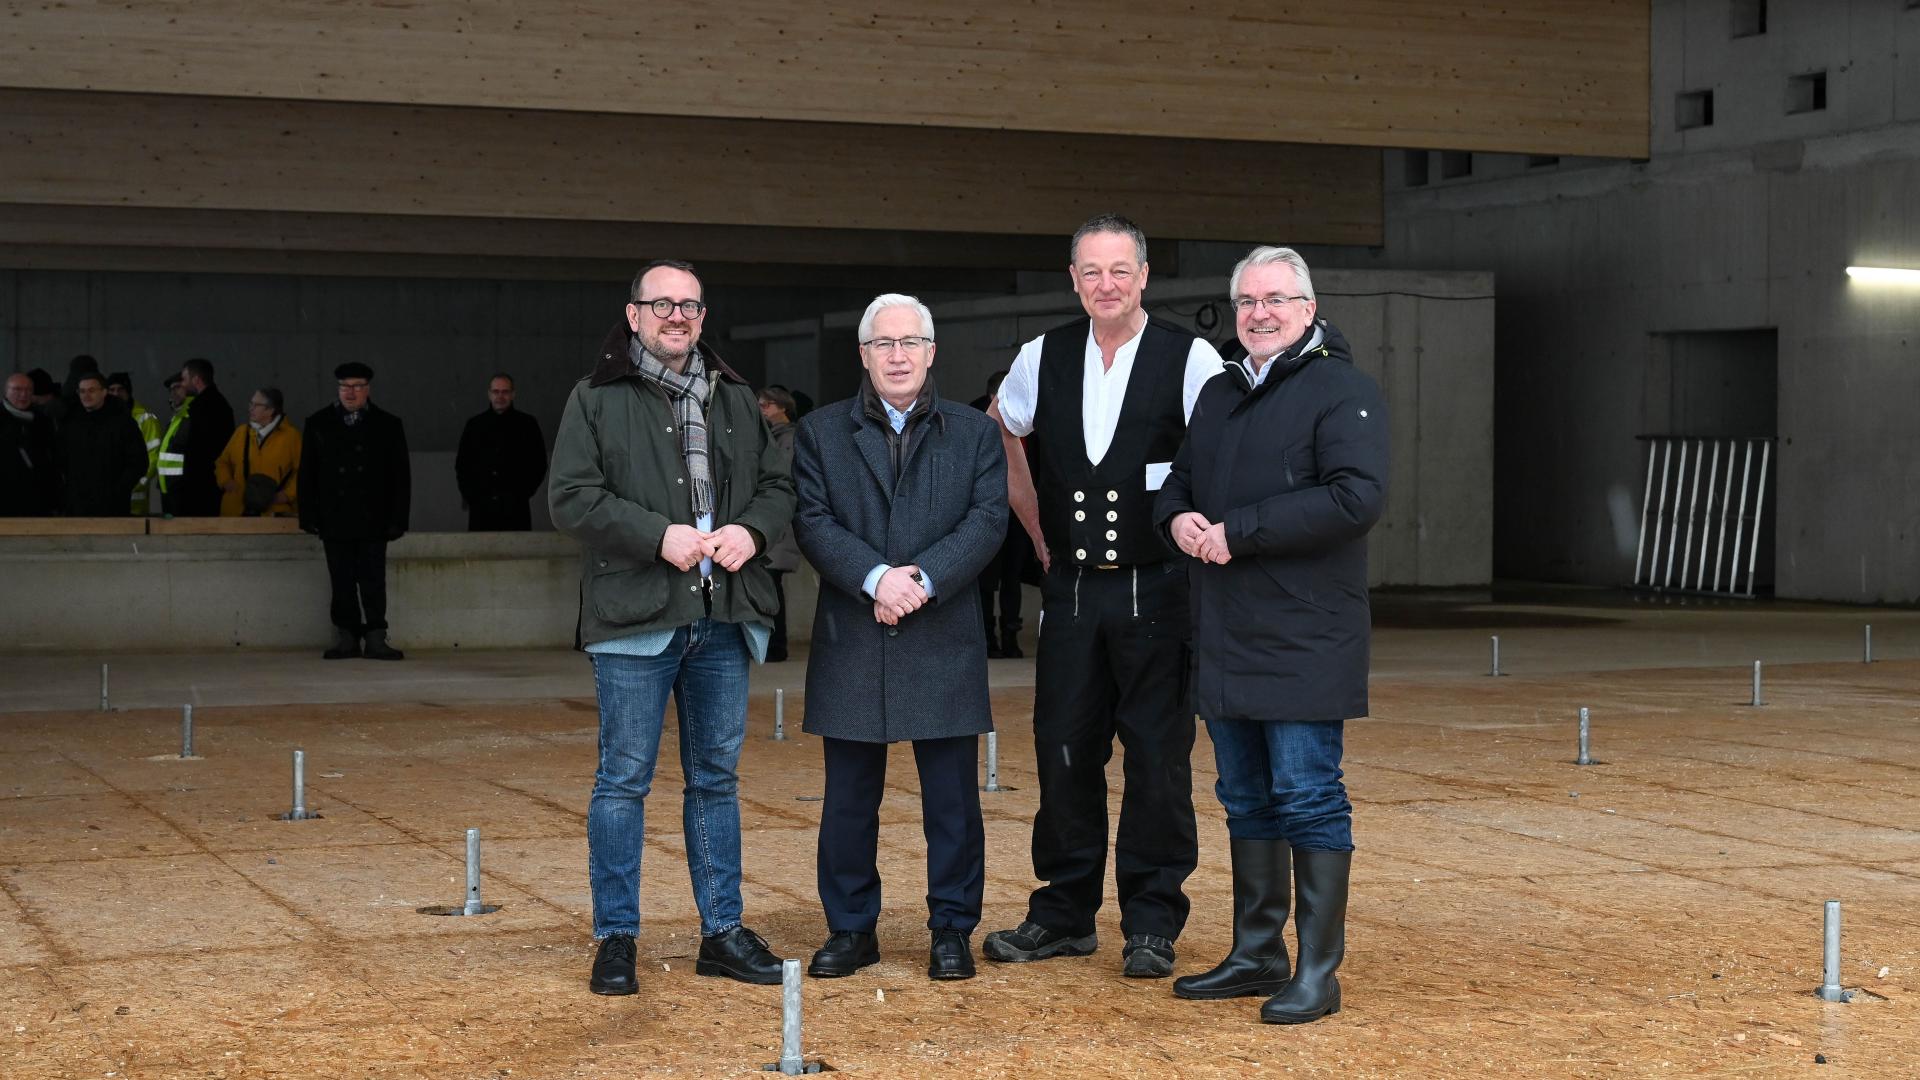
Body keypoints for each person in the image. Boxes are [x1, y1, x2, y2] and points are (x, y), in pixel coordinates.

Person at [981, 213, 1225, 979]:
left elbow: (1225, 452)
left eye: (1120, 270)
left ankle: (1152, 919)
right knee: (1063, 750)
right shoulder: (1040, 354)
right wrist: (1036, 529)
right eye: (1092, 271)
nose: (1106, 284)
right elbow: (1002, 431)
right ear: (1075, 279)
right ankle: (1063, 912)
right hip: (1073, 593)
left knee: (1157, 760)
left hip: (1160, 592)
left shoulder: (1192, 358)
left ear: (1144, 275)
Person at [548, 259, 795, 997]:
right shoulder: (595, 397)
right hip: (635, 619)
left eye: (689, 305)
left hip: (721, 616)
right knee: (622, 782)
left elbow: (779, 486)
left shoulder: (737, 396)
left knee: (715, 781)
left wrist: (752, 530)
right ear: (634, 316)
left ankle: (722, 931)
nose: (676, 316)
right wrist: (659, 535)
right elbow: (570, 498)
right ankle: (616, 937)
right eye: (661, 304)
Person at [1155, 246, 1387, 1024]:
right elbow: (1179, 481)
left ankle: (1319, 972)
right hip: (1225, 632)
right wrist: (1176, 519)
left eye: (1277, 299)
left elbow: (1356, 498)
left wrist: (1238, 531)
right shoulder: (1220, 394)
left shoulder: (1342, 392)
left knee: (1308, 798)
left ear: (1309, 308)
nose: (1260, 312)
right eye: (1248, 300)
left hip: (1303, 635)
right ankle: (1259, 952)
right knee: (1245, 798)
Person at [790, 294, 1007, 982]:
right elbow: (813, 521)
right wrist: (877, 579)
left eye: (911, 342)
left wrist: (921, 578)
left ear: (932, 351)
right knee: (849, 801)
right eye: (883, 344)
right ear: (863, 354)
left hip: (941, 632)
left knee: (952, 802)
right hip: (856, 631)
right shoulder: (820, 433)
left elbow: (987, 519)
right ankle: (851, 930)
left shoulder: (974, 432)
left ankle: (951, 929)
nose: (898, 355)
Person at [298, 362, 410, 660]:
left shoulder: (387, 424)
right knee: (342, 578)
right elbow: (307, 473)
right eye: (345, 386)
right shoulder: (319, 423)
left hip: (374, 517)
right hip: (335, 517)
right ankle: (346, 635)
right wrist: (308, 515)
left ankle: (375, 635)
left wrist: (398, 518)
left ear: (367, 389)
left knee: (373, 579)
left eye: (357, 386)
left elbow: (400, 476)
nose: (350, 392)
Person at [969, 370, 1035, 658]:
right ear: (992, 397)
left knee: (1012, 577)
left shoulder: (1032, 419)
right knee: (985, 579)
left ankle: (1010, 636)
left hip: (1019, 515)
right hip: (985, 513)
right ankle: (986, 638)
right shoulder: (973, 420)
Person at [454, 373, 547, 531]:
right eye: (496, 391)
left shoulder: (527, 425)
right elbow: (462, 465)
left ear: (513, 394)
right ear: (489, 394)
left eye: (505, 391)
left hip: (516, 509)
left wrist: (522, 494)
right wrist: (472, 496)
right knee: (481, 553)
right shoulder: (475, 425)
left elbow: (538, 463)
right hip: (481, 509)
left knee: (517, 553)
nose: (500, 396)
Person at [55, 372, 148, 516]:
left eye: (92, 390)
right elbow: (60, 460)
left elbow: (138, 462)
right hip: (77, 507)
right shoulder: (70, 425)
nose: (86, 395)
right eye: (82, 391)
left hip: (113, 507)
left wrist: (118, 491)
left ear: (104, 392)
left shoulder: (122, 423)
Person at [756, 386, 801, 661]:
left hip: (780, 525)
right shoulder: (771, 436)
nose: (762, 409)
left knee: (771, 585)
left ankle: (776, 646)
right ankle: (771, 645)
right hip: (774, 524)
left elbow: (781, 477)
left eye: (767, 404)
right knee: (768, 584)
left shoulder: (788, 438)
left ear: (782, 407)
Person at [216, 387, 301, 517]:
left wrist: (287, 495)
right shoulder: (241, 432)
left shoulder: (291, 437)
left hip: (274, 514)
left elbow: (304, 471)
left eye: (256, 405)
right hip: (236, 512)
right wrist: (225, 481)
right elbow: (222, 462)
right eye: (251, 403)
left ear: (271, 410)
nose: (250, 408)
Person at [172, 357, 234, 516]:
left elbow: (200, 451)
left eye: (185, 379)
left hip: (201, 487)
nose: (183, 384)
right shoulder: (217, 404)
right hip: (205, 485)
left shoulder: (205, 408)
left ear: (196, 380)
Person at [104, 373, 162, 515]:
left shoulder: (145, 418)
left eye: (121, 389)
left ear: (128, 392)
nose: (116, 393)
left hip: (135, 505)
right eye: (112, 390)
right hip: (106, 503)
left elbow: (153, 457)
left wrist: (136, 483)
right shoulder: (102, 419)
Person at [2, 372, 58, 515]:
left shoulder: (42, 420)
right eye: (17, 389)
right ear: (6, 391)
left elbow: (52, 458)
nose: (23, 394)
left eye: (28, 390)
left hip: (38, 501)